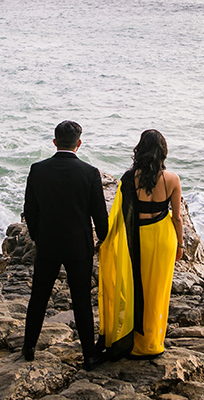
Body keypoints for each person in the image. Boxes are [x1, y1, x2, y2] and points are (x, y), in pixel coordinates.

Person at [22, 120, 108, 370]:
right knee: (81, 300)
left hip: (47, 243)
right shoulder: (90, 173)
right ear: (79, 144)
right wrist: (102, 238)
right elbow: (99, 215)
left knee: (38, 296)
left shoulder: (37, 170)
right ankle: (89, 355)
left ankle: (28, 348)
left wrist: (38, 235)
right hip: (78, 246)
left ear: (54, 142)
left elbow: (30, 210)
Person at [98, 129, 183, 360]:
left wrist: (106, 241)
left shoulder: (129, 178)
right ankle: (153, 342)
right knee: (158, 289)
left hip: (138, 237)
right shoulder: (172, 179)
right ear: (163, 151)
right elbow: (177, 217)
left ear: (140, 149)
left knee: (137, 286)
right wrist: (181, 245)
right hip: (163, 237)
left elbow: (119, 214)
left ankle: (133, 340)